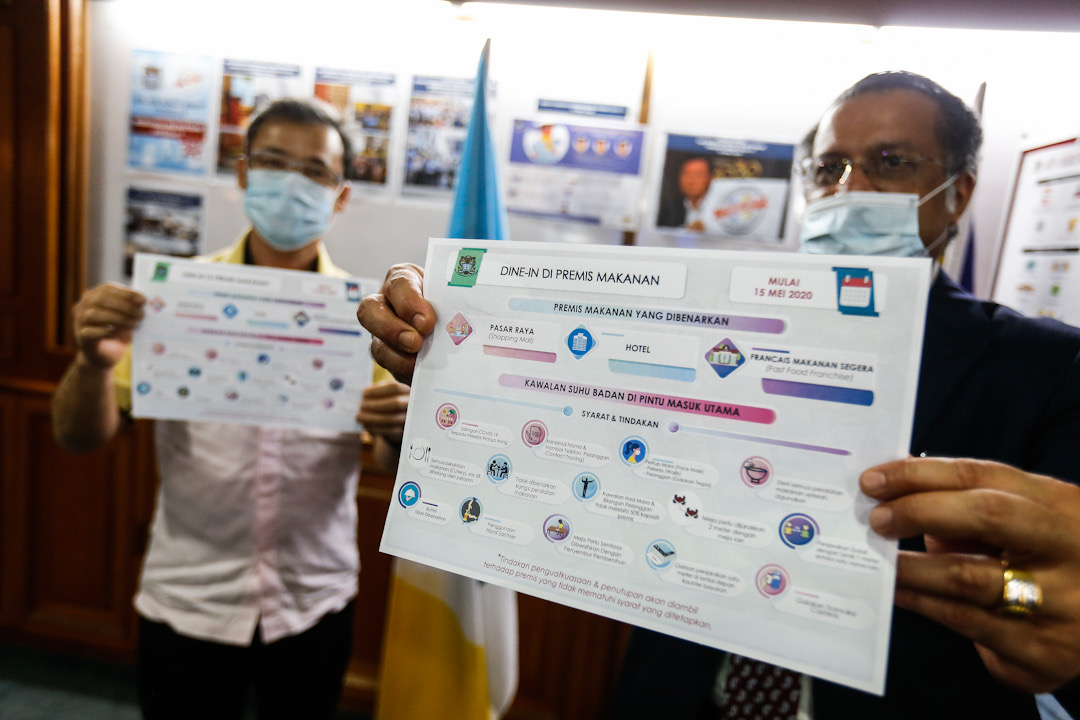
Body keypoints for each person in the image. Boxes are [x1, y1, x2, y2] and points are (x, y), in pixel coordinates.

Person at [357, 71, 1080, 719]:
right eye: (829, 167)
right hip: (678, 694)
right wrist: (462, 363)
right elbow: (587, 438)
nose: (850, 187)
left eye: (890, 163)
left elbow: (1058, 603)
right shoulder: (719, 333)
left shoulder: (1042, 368)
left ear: (958, 191)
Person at [52, 98, 410, 720]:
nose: (293, 183)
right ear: (243, 175)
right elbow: (81, 438)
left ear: (341, 195)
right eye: (273, 162)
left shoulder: (366, 318)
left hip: (312, 598)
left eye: (315, 171)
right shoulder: (172, 300)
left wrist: (402, 427)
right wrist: (92, 363)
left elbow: (385, 457)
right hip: (189, 596)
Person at [657, 155, 713, 230]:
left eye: (698, 175)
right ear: (679, 178)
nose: (692, 181)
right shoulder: (668, 210)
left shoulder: (721, 207)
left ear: (709, 178)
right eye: (687, 175)